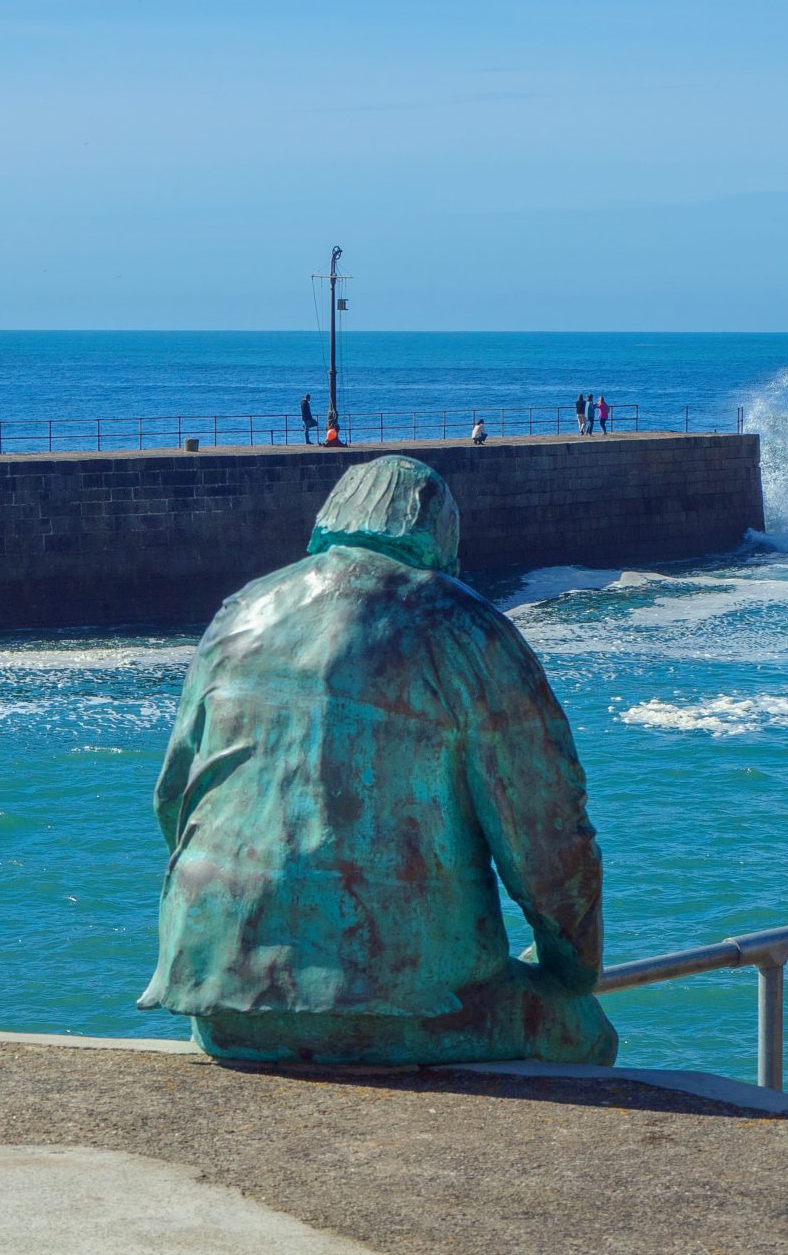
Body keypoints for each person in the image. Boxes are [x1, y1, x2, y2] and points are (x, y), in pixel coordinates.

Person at [139, 455, 616, 1067]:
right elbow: (549, 835)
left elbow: (173, 800)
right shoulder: (462, 625)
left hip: (223, 1006)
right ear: (438, 539)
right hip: (404, 1007)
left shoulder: (240, 613)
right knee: (580, 1030)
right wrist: (571, 969)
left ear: (331, 521)